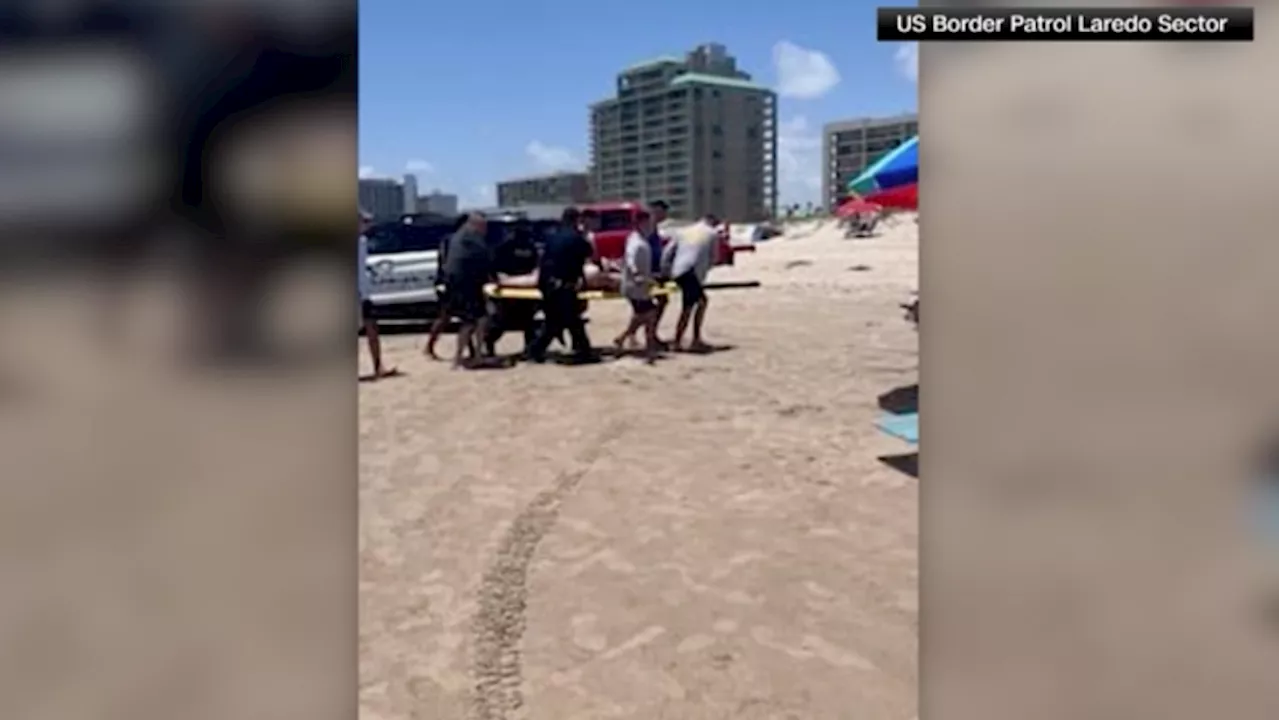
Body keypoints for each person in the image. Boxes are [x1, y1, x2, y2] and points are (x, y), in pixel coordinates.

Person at [525, 207, 595, 364]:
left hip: (548, 284)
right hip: (564, 286)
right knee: (568, 320)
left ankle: (535, 351)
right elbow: (589, 254)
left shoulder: (552, 236)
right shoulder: (576, 238)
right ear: (577, 220)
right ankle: (583, 351)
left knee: (556, 321)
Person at [441, 212, 493, 368]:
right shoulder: (472, 238)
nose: (485, 229)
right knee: (474, 321)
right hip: (468, 284)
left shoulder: (456, 237)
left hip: (456, 284)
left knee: (473, 320)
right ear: (474, 224)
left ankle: (467, 356)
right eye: (483, 226)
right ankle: (470, 356)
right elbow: (485, 259)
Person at [661, 215, 719, 352]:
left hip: (679, 270)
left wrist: (666, 271)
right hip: (692, 272)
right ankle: (688, 339)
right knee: (693, 305)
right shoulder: (712, 233)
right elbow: (714, 258)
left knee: (695, 303)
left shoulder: (684, 231)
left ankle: (686, 338)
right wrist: (704, 271)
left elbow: (667, 252)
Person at [484, 218, 541, 354]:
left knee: (528, 320)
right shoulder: (505, 247)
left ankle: (530, 348)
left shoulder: (531, 247)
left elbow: (535, 265)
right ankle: (489, 342)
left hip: (526, 287)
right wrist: (498, 280)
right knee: (503, 321)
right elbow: (492, 266)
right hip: (507, 288)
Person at [621, 199, 672, 348]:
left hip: (654, 272)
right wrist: (638, 272)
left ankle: (645, 335)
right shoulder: (645, 230)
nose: (664, 215)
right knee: (646, 307)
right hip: (644, 275)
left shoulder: (653, 229)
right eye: (662, 211)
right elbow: (633, 253)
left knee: (651, 305)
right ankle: (641, 335)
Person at [613, 211, 661, 363]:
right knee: (650, 314)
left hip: (641, 285)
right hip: (634, 286)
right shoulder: (635, 241)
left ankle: (623, 338)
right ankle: (650, 349)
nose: (649, 226)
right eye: (647, 223)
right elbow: (630, 258)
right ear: (640, 223)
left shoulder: (640, 239)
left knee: (642, 316)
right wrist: (636, 274)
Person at [424, 213, 469, 360]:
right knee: (445, 316)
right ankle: (429, 346)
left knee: (467, 317)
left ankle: (471, 349)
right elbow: (445, 262)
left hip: (463, 282)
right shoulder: (450, 240)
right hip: (449, 282)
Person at [358, 209, 396, 379]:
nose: (367, 225)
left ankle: (378, 366)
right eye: (364, 221)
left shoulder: (362, 241)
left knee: (372, 327)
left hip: (363, 293)